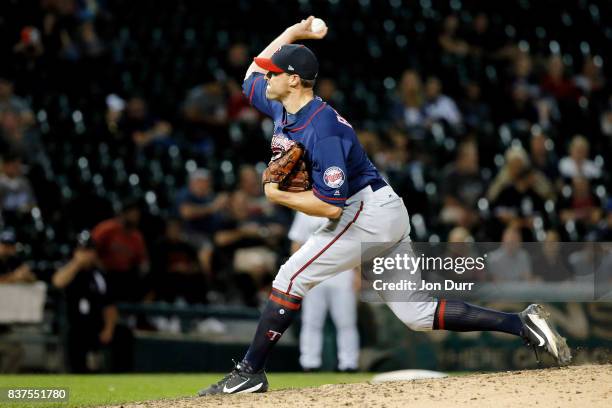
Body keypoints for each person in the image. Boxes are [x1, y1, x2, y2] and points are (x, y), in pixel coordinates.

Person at [198, 16, 570, 396]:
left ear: (294, 80)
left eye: (276, 72)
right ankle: (522, 324)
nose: (268, 76)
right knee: (418, 314)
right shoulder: (283, 107)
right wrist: (294, 33)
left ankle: (249, 372)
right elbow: (250, 73)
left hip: (366, 212)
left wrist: (280, 196)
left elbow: (330, 208)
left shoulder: (321, 128)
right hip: (382, 210)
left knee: (290, 277)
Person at [289, 212, 359, 372]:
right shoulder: (305, 207)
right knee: (311, 321)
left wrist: (358, 272)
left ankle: (349, 364)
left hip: (343, 271)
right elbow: (297, 242)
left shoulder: (348, 205)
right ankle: (309, 363)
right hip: (313, 272)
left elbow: (356, 242)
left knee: (346, 322)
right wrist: (297, 271)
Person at [51, 232, 121, 372]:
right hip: (72, 328)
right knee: (73, 367)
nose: (86, 254)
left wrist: (108, 329)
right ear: (75, 252)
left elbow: (109, 305)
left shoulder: (99, 274)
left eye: (89, 250)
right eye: (82, 250)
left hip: (94, 328)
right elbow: (58, 282)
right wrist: (76, 263)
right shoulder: (69, 269)